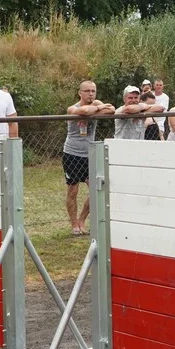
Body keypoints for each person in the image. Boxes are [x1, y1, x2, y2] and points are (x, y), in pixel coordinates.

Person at [64, 81, 115, 236]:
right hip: (72, 154)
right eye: (87, 91)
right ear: (80, 93)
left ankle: (82, 220)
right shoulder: (72, 108)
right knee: (73, 191)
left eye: (93, 91)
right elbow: (83, 111)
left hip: (90, 155)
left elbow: (112, 110)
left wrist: (97, 108)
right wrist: (99, 108)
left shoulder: (96, 104)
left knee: (96, 189)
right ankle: (74, 224)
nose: (91, 94)